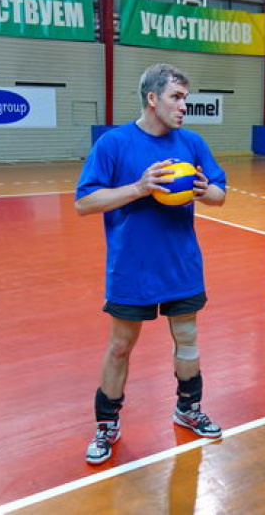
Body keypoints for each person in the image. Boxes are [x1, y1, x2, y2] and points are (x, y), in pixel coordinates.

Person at [75, 63, 227, 465]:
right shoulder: (114, 143)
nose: (184, 106)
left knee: (188, 338)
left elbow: (220, 194)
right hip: (132, 267)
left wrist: (204, 190)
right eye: (176, 97)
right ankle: (107, 424)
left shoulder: (192, 143)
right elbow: (84, 202)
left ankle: (188, 409)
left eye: (186, 99)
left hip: (181, 264)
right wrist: (139, 188)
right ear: (152, 98)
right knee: (120, 346)